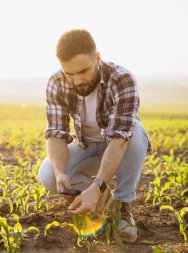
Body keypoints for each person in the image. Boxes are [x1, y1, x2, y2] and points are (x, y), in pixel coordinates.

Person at [38, 29, 151, 242]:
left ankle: (123, 206)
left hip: (119, 146)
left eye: (83, 71)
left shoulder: (121, 79)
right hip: (87, 146)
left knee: (134, 132)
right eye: (69, 73)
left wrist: (97, 184)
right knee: (48, 175)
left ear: (97, 58)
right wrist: (61, 173)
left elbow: (119, 139)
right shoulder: (56, 82)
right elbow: (56, 134)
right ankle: (106, 204)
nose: (77, 80)